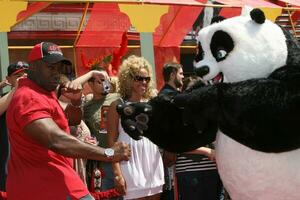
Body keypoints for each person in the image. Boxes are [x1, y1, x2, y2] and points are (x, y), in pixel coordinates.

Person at [5, 42, 131, 200]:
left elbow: (73, 120)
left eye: (59, 68)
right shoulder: (28, 97)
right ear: (33, 67)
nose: (56, 73)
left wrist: (76, 102)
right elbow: (55, 139)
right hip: (44, 187)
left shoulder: (44, 93)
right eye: (50, 67)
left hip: (55, 183)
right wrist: (110, 153)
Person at [107, 55, 164, 200]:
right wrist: (117, 173)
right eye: (139, 78)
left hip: (152, 163)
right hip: (130, 164)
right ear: (129, 78)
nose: (144, 82)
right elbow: (111, 142)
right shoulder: (117, 106)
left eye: (147, 79)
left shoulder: (152, 104)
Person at [83, 67, 121, 195]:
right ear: (90, 84)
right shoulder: (87, 107)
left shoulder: (119, 98)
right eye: (100, 81)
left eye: (107, 80)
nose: (105, 84)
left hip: (124, 158)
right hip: (103, 160)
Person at [0, 61, 28, 192]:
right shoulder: (7, 98)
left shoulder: (39, 96)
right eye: (18, 76)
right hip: (11, 167)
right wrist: (16, 88)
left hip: (33, 164)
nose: (23, 79)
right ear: (8, 79)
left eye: (26, 75)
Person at [158, 62, 184, 200]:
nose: (183, 77)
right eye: (181, 73)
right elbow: (166, 125)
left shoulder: (172, 94)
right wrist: (170, 149)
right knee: (170, 192)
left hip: (174, 156)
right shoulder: (166, 96)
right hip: (170, 157)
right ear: (172, 75)